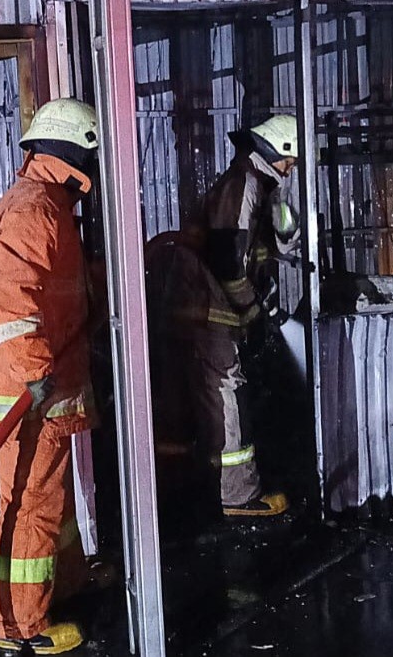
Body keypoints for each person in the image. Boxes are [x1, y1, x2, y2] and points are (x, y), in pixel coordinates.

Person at [0, 98, 101, 655]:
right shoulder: (34, 210)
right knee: (29, 508)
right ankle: (18, 625)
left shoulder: (43, 203)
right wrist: (39, 378)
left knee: (48, 500)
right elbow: (11, 309)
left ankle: (57, 587)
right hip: (25, 395)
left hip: (36, 390)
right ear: (79, 151)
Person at [146, 114, 301, 518]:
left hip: (202, 306)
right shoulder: (245, 186)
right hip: (211, 308)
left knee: (199, 395)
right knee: (225, 394)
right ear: (277, 151)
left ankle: (197, 486)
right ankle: (239, 495)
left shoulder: (259, 185)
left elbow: (284, 238)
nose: (293, 167)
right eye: (292, 159)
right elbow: (230, 261)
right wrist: (251, 309)